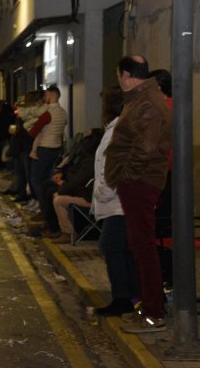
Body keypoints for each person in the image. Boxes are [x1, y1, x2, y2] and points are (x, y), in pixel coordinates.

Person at [105, 55, 171, 333]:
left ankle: (153, 313)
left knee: (143, 247)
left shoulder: (146, 102)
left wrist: (124, 177)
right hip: (137, 182)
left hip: (139, 183)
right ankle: (148, 307)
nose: (119, 81)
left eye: (120, 75)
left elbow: (143, 149)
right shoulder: (142, 98)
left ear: (127, 75)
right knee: (139, 245)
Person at [92, 85, 138, 317]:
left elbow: (113, 166)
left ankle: (123, 298)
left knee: (110, 246)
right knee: (119, 247)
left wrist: (103, 191)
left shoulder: (118, 129)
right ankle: (130, 296)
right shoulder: (117, 127)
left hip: (117, 202)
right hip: (117, 201)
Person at [28, 86, 67, 209]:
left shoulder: (47, 114)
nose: (45, 97)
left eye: (46, 94)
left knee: (36, 180)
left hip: (44, 148)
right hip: (56, 149)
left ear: (51, 94)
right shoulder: (63, 112)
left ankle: (44, 207)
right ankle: (47, 207)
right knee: (46, 179)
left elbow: (33, 132)